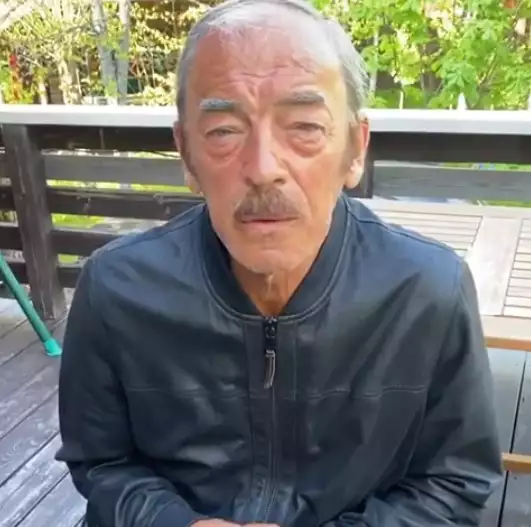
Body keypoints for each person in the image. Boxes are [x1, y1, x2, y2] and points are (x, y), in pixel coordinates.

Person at [56, 1, 503, 526]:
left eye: (305, 127)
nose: (264, 168)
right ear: (186, 154)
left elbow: (455, 479)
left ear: (355, 149)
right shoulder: (117, 289)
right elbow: (101, 461)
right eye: (224, 131)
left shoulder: (428, 291)